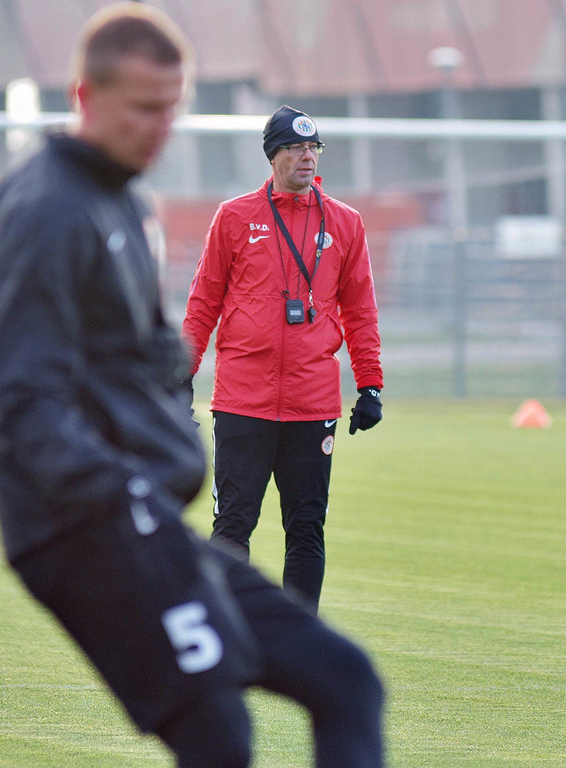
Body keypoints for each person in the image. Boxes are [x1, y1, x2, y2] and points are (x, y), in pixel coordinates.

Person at [0, 5, 384, 766]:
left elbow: (148, 349)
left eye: (173, 108)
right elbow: (19, 405)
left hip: (144, 515)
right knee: (220, 734)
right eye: (142, 108)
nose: (160, 127)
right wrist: (120, 487)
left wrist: (168, 393)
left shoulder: (123, 200)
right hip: (79, 531)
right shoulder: (44, 211)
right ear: (83, 97)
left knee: (347, 678)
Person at [182, 105, 384, 616]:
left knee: (307, 528)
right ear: (274, 155)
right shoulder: (234, 217)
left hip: (311, 402)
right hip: (241, 401)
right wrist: (180, 375)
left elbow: (360, 310)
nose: (307, 157)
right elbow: (203, 301)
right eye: (296, 147)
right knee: (232, 526)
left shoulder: (345, 223)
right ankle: (227, 633)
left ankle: (301, 643)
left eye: (314, 147)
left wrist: (371, 385)